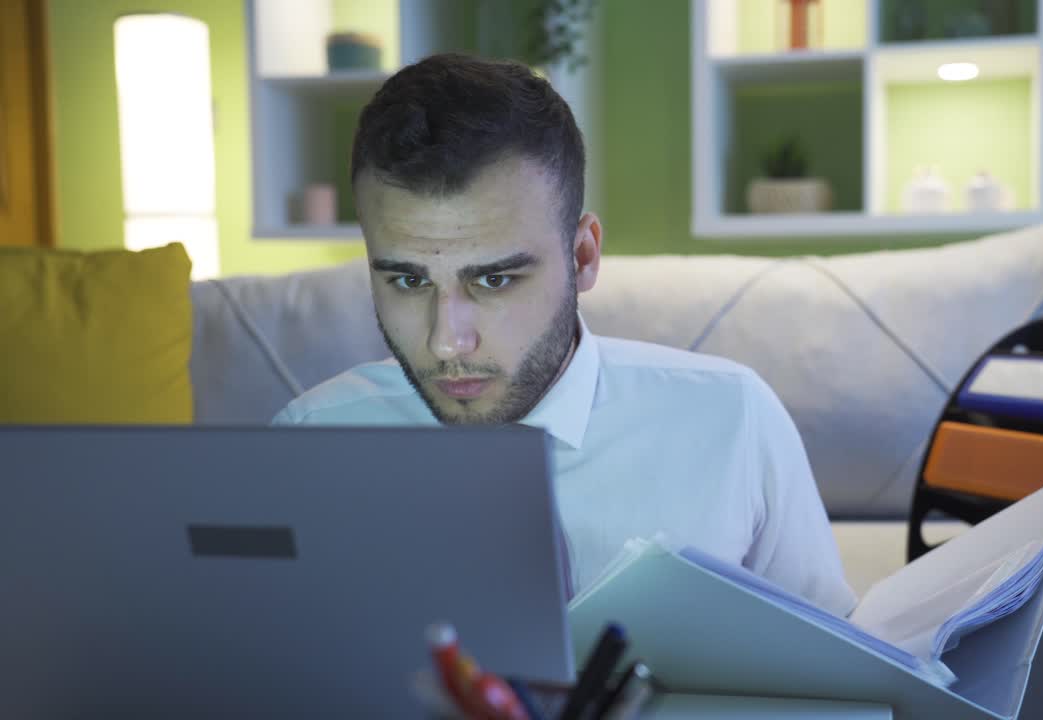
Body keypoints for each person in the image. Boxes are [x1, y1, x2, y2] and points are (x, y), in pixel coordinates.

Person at [271, 53, 856, 617]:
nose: (448, 342)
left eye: (495, 279)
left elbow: (843, 682)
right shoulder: (310, 443)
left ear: (583, 256)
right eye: (407, 279)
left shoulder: (733, 421)